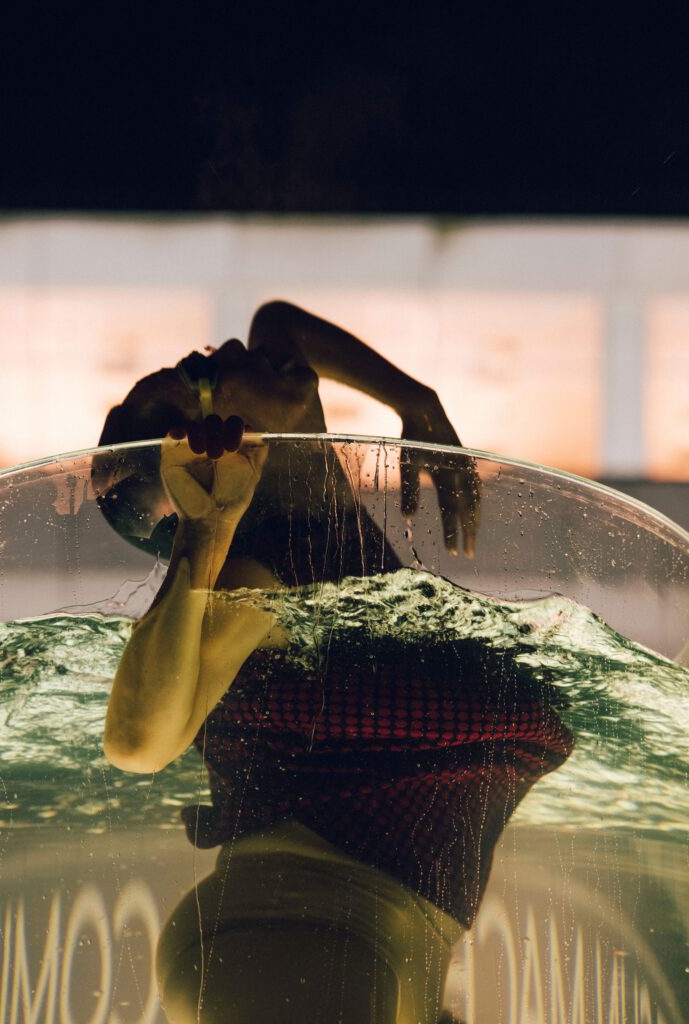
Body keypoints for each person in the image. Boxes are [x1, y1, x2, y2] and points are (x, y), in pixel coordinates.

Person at [96, 301, 571, 1023]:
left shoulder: (319, 508)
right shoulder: (263, 573)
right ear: (203, 448)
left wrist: (417, 404)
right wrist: (209, 527)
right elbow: (135, 745)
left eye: (200, 354)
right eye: (196, 382)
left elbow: (278, 326)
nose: (221, 349)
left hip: (314, 940)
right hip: (301, 936)